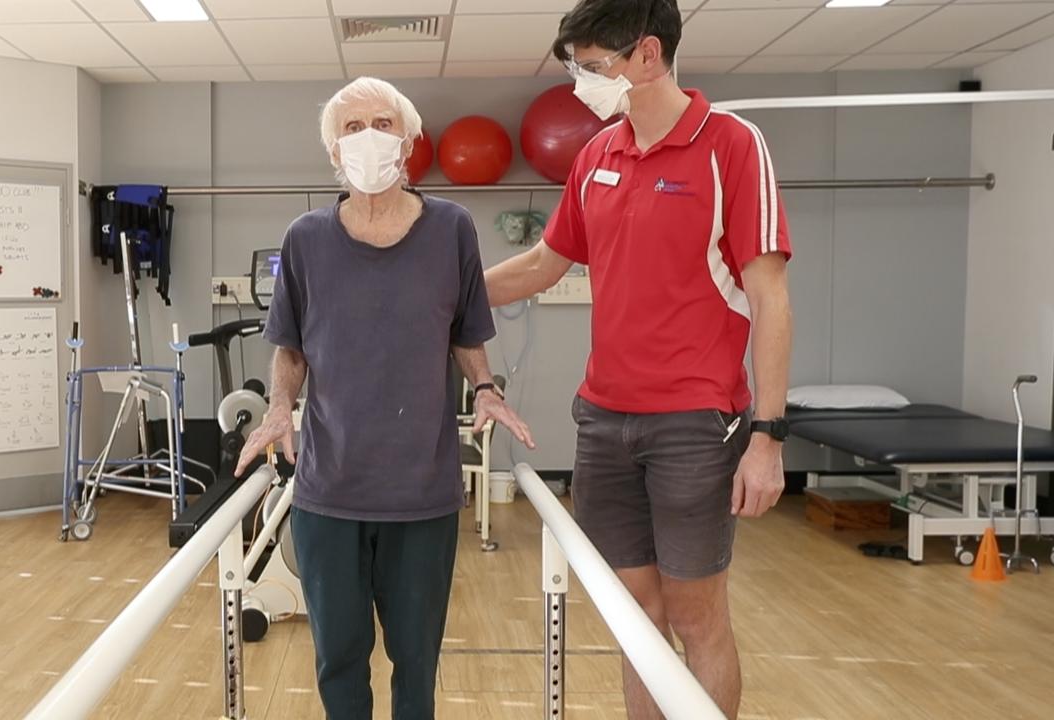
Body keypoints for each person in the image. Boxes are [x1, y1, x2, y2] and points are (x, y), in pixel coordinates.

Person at [483, 1, 793, 718]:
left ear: (647, 55)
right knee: (635, 623)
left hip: (695, 423)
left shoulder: (731, 146)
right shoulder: (598, 154)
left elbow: (770, 297)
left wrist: (769, 437)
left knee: (695, 618)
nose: (581, 84)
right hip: (604, 423)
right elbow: (540, 264)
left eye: (593, 68)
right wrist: (437, 294)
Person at [234, 76, 535, 720]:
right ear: (333, 155)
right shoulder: (306, 240)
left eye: (382, 123)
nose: (367, 137)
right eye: (351, 128)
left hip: (420, 495)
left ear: (408, 141)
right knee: (338, 659)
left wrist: (484, 388)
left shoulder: (451, 229)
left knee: (416, 660)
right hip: (330, 492)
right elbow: (290, 348)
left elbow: (466, 330)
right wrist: (280, 406)